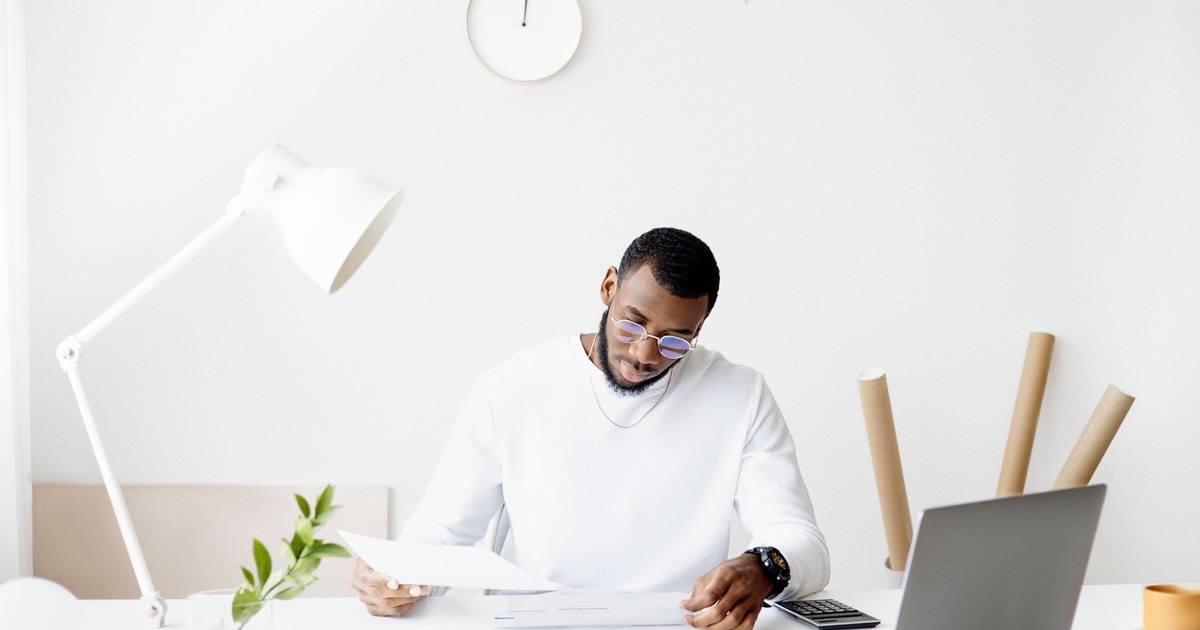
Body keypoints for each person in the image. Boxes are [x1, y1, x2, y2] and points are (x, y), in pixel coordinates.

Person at [351, 227, 830, 629]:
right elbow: (442, 533)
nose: (644, 354)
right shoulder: (512, 387)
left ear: (699, 329)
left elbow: (803, 543)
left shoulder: (739, 395)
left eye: (674, 342)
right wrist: (395, 577)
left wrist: (763, 567)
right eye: (632, 325)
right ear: (608, 289)